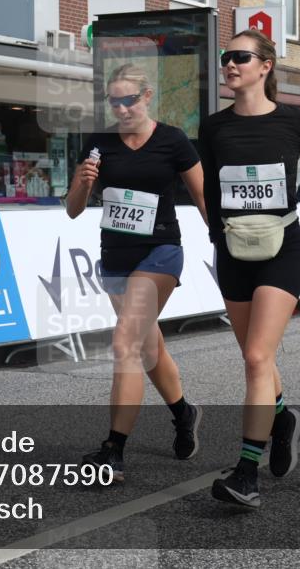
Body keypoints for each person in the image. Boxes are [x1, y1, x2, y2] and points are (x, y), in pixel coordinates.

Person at [199, 30, 300, 508]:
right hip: (233, 251)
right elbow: (212, 196)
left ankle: (245, 473)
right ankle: (282, 421)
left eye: (241, 57)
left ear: (265, 66)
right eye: (226, 57)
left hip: (284, 249)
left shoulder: (296, 123)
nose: (231, 64)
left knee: (258, 358)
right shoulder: (214, 128)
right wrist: (219, 241)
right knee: (255, 360)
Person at [67, 63, 208, 484]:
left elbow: (203, 196)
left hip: (161, 253)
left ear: (147, 97)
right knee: (148, 349)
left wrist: (228, 239)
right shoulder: (99, 143)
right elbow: (73, 209)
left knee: (125, 340)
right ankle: (184, 413)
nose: (123, 108)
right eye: (115, 101)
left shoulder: (173, 141)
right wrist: (82, 182)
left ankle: (113, 450)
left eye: (130, 99)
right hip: (115, 258)